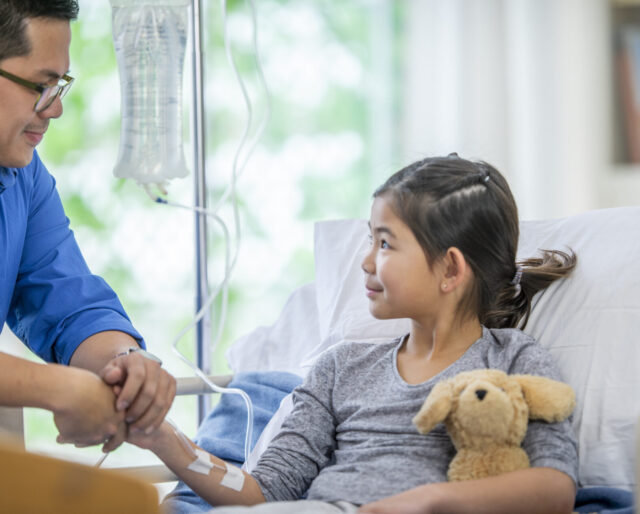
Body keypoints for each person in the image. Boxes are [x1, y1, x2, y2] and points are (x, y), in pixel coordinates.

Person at [128, 155, 578, 514]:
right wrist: (162, 437)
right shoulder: (340, 367)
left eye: (384, 243)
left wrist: (431, 501)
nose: (365, 262)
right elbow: (263, 493)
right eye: (370, 240)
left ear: (450, 268)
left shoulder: (513, 360)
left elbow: (556, 487)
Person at [0, 0, 176, 452]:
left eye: (60, 86)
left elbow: (66, 299)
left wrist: (125, 363)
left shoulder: (22, 179)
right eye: (40, 86)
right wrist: (60, 388)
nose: (55, 110)